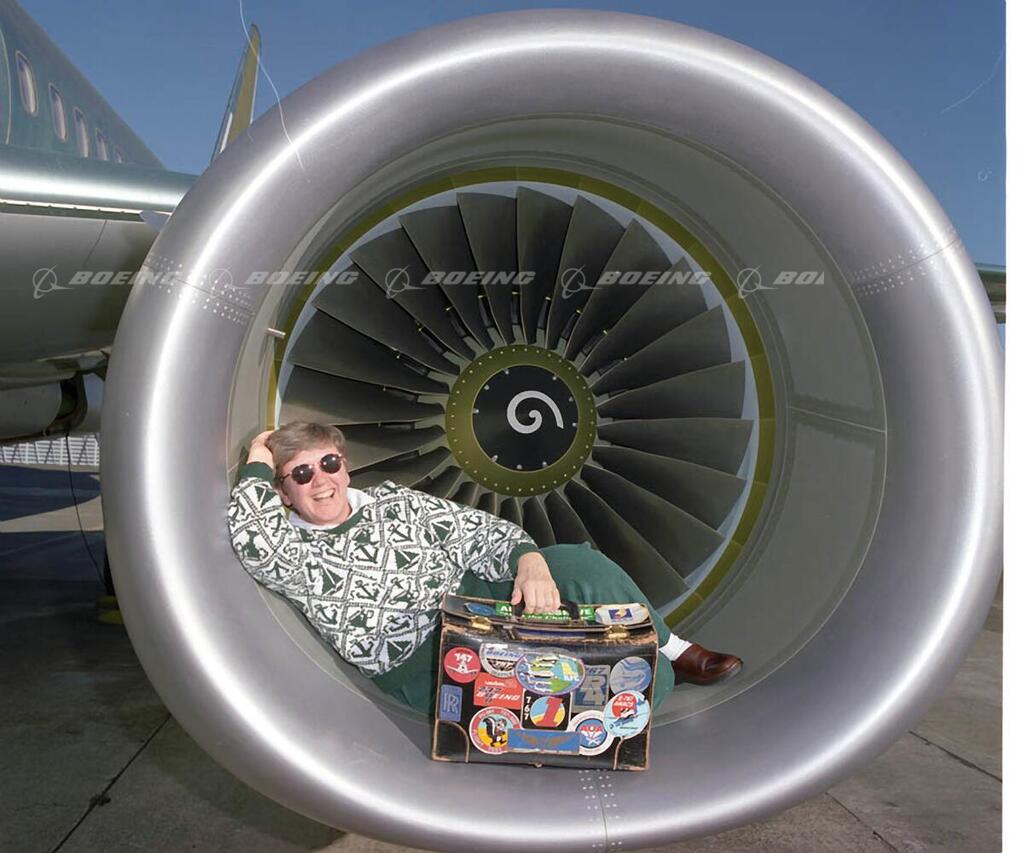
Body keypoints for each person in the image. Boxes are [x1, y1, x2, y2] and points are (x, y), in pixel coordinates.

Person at [227, 421, 742, 715]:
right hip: (425, 660)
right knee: (617, 691)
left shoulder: (391, 501)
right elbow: (252, 540)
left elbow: (477, 532)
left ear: (345, 466)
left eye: (329, 463)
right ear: (283, 493)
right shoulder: (291, 551)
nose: (321, 480)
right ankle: (657, 674)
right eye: (300, 474)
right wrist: (256, 456)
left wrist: (529, 562)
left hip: (480, 603)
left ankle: (675, 650)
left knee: (577, 563)